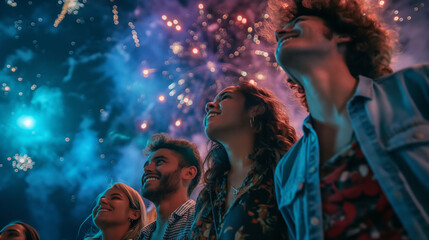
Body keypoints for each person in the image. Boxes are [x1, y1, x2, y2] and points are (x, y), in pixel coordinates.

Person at [263, 0, 429, 239]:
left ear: (342, 35)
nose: (281, 32)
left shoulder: (416, 88)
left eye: (298, 22)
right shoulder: (286, 171)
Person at [189, 82, 297, 239]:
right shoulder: (209, 193)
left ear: (256, 109)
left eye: (225, 97)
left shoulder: (284, 169)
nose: (209, 105)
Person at [138, 133, 202, 240]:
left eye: (160, 162)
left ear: (189, 173)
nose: (147, 169)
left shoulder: (201, 219)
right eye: (146, 164)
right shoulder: (144, 234)